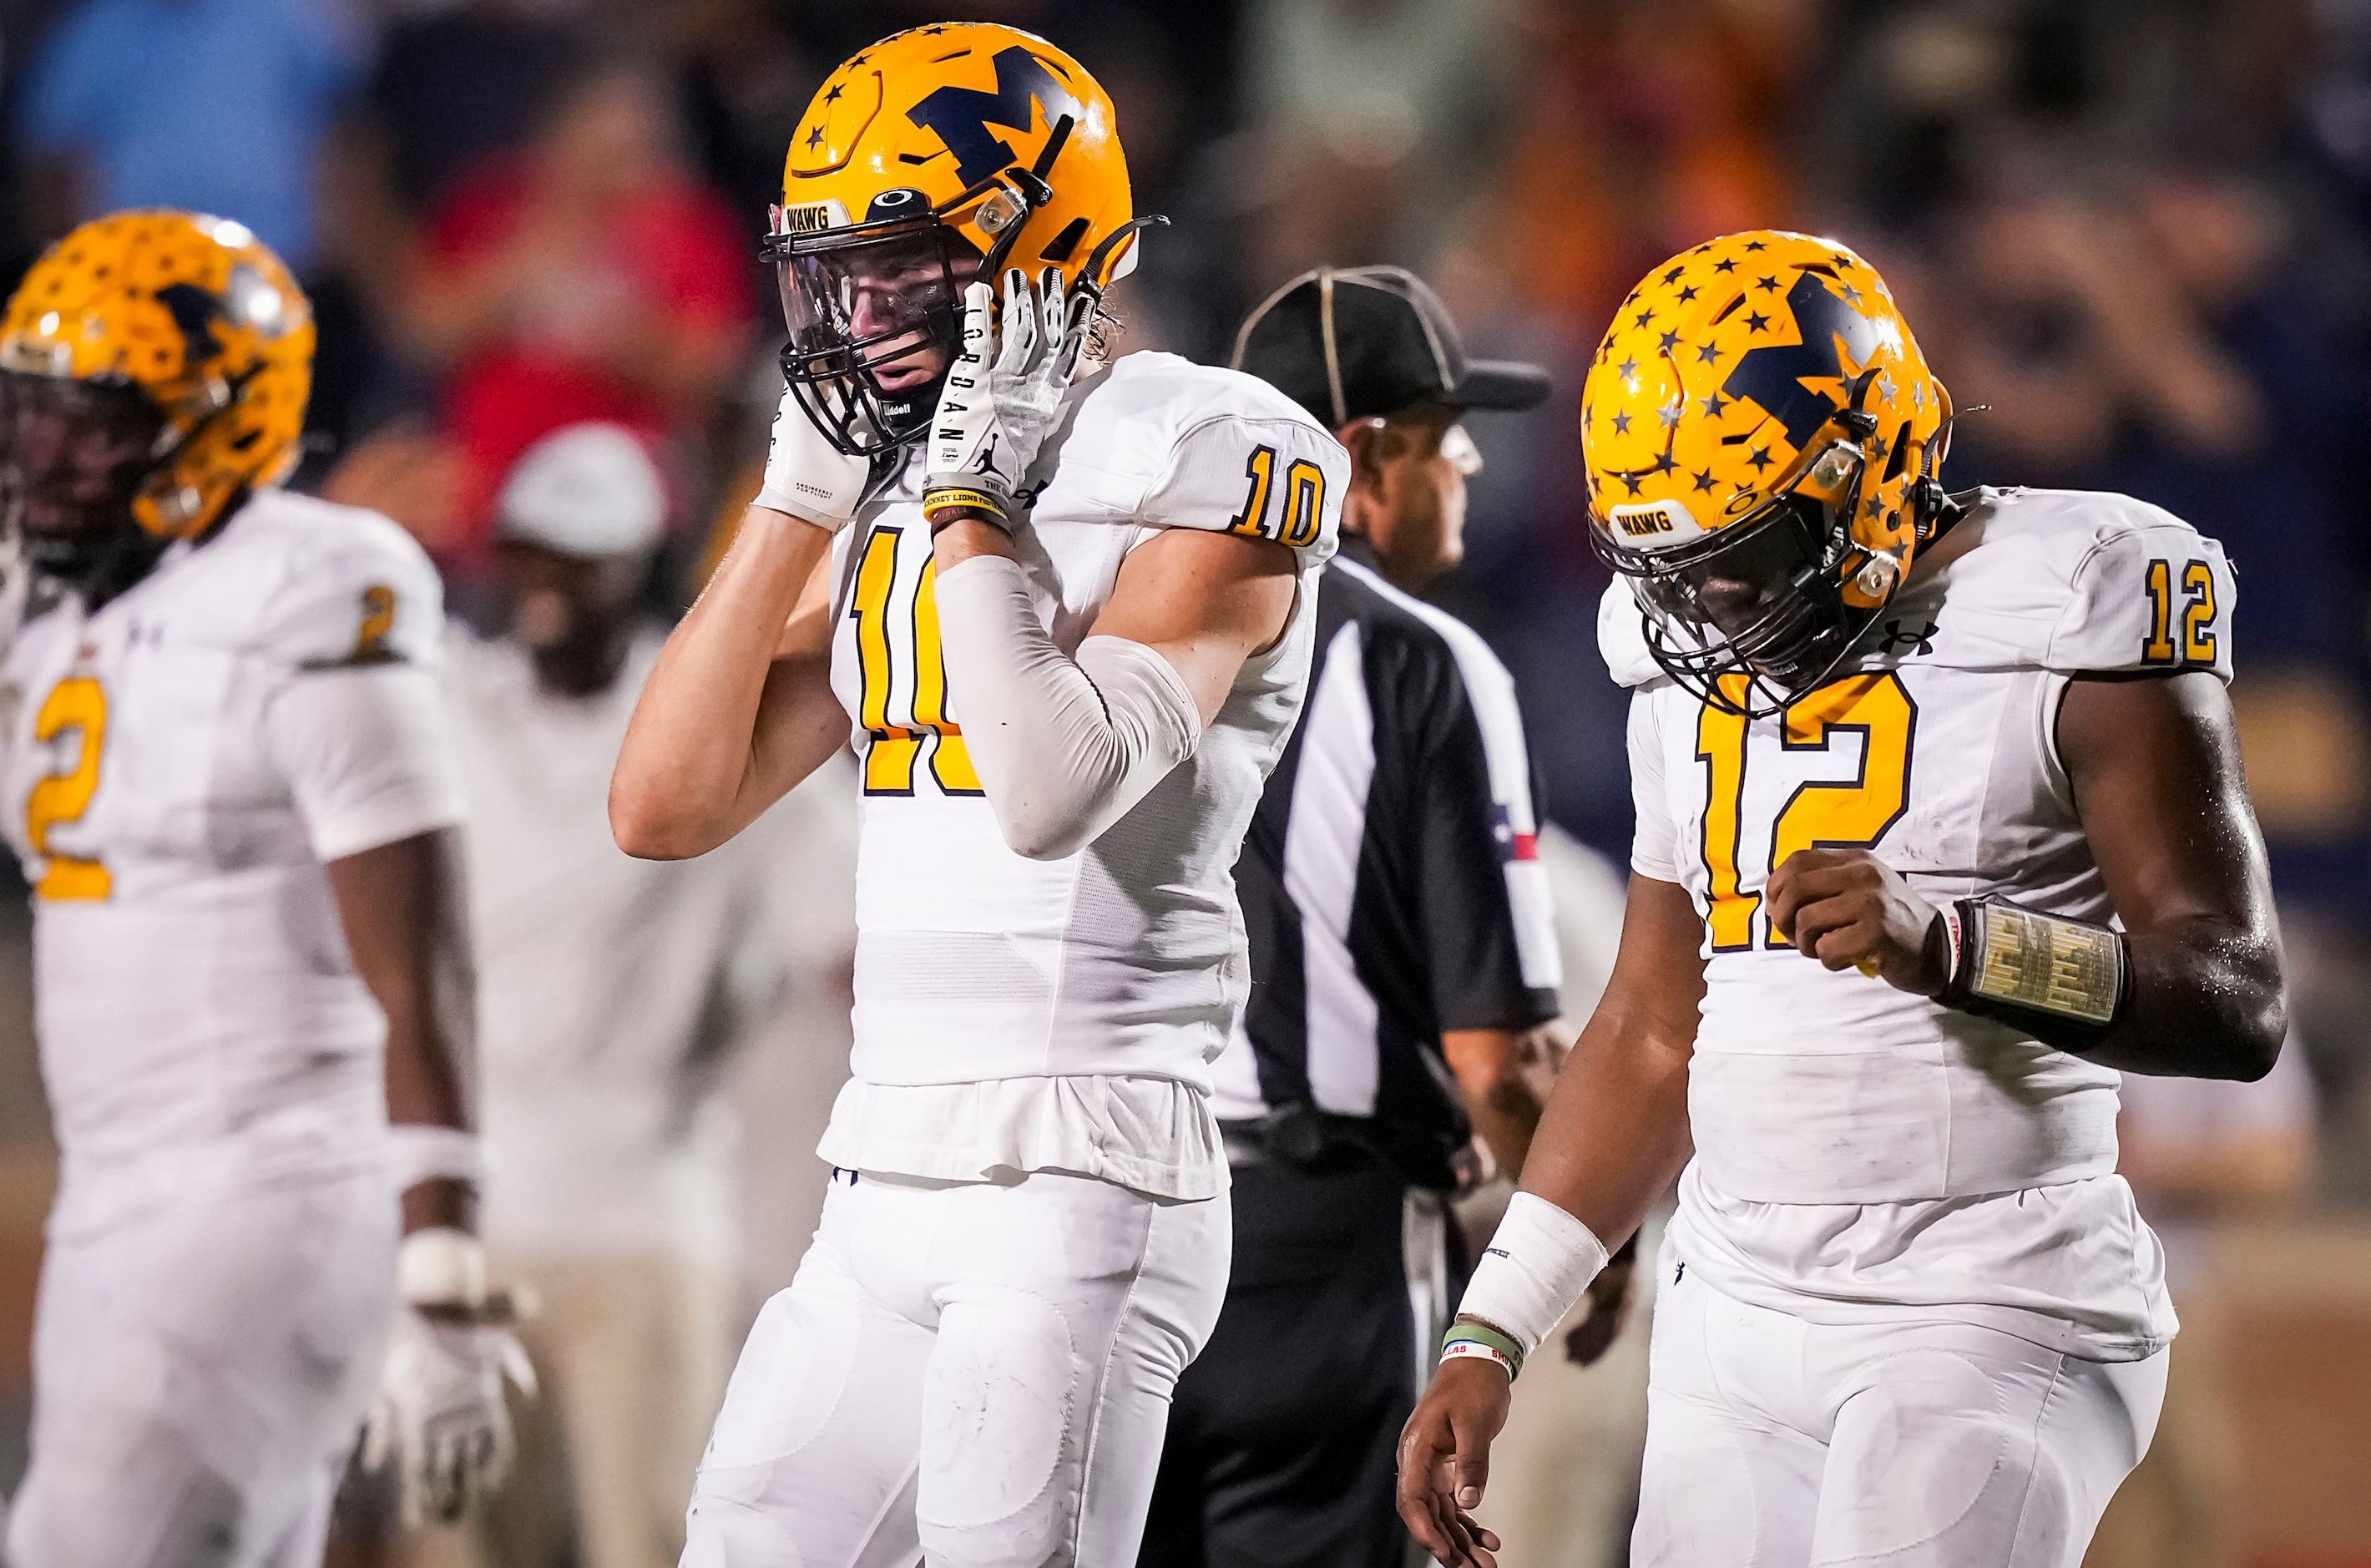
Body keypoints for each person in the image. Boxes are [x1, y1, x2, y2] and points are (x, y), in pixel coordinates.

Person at [1398, 228, 2289, 1568]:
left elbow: (2235, 995)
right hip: (1733, 1304)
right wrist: (1496, 1323)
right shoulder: (1675, 654)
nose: (1708, 605)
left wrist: (1960, 946)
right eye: (1679, 565)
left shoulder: (2070, 594)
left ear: (1863, 470)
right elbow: (1651, 1027)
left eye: (1742, 555)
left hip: (1985, 1294)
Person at [606, 23, 1345, 1565]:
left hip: (1077, 1169)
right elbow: (662, 802)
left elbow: (1049, 787)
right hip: (882, 1163)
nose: (863, 321)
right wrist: (795, 502)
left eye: (903, 271)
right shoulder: (898, 477)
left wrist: (969, 508)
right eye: (839, 277)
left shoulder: (1216, 438)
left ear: (1041, 247)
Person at [0, 210, 524, 1565]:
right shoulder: (62, 602)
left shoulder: (316, 580)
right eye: (32, 412)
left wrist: (447, 1277)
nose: (46, 456)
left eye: (93, 422)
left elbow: (424, 962)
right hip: (114, 1194)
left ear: (217, 421)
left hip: (269, 1184)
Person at [1135, 264, 1572, 1566]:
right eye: (1447, 438)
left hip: (1114, 1215)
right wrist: (1565, 1249)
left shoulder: (1114, 605)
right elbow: (1501, 1062)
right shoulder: (1423, 662)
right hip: (1328, 1246)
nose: (1473, 473)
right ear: (1363, 458)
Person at [435, 422, 854, 1568]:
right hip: (467, 1215)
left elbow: (855, 944)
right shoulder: (450, 705)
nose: (549, 582)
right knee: (461, 1550)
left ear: (638, 565)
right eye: (530, 550)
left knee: (654, 1543)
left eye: (581, 554)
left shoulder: (714, 730)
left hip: (646, 1216)